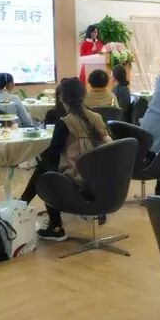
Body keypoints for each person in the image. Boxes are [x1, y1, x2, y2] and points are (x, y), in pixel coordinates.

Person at [20, 78, 112, 241]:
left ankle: (54, 225)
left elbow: (53, 156)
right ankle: (22, 203)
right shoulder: (97, 117)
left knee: (45, 171)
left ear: (61, 97)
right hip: (103, 181)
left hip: (80, 182)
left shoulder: (65, 123)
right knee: (45, 167)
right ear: (83, 95)